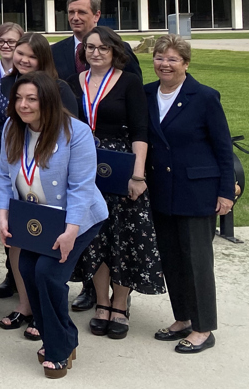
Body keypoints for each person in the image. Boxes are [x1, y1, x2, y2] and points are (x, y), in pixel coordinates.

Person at [0, 71, 108, 378]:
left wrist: (71, 230)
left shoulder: (76, 132)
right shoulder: (11, 127)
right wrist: (4, 216)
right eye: (19, 98)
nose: (23, 105)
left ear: (48, 100)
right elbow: (5, 177)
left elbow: (82, 187)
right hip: (36, 220)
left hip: (77, 218)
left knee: (48, 273)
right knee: (29, 272)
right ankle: (56, 335)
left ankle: (61, 346)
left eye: (31, 98)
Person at [68, 26, 164, 340]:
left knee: (124, 239)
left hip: (122, 169)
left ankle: (120, 304)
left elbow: (140, 132)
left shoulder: (129, 83)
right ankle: (102, 303)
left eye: (103, 48)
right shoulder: (73, 84)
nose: (95, 52)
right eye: (90, 47)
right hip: (85, 170)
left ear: (114, 51)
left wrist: (137, 175)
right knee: (95, 238)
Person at [0, 32, 79, 335]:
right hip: (12, 179)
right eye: (19, 53)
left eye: (31, 56)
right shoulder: (0, 87)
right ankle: (25, 305)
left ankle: (44, 310)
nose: (23, 59)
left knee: (46, 248)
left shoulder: (59, 89)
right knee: (18, 244)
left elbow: (71, 135)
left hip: (50, 184)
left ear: (43, 59)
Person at [145, 35, 234, 354]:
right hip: (162, 193)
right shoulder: (146, 94)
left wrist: (226, 192)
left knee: (197, 261)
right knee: (172, 259)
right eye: (159, 57)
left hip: (197, 192)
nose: (164, 64)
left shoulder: (205, 97)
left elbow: (223, 148)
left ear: (185, 63)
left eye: (171, 59)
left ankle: (203, 327)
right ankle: (182, 318)